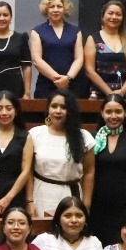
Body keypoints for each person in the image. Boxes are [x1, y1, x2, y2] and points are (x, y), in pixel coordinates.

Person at [24, 89, 95, 218]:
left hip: (71, 196)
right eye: (54, 106)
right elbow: (27, 171)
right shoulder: (35, 134)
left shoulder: (84, 136)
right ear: (48, 108)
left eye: (63, 107)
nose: (58, 111)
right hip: (42, 194)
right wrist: (29, 201)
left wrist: (86, 204)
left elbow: (89, 172)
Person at [89, 95, 126, 244]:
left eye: (118, 111)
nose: (113, 116)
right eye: (109, 111)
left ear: (125, 113)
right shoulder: (92, 139)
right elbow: (87, 173)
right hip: (96, 203)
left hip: (123, 204)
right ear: (102, 113)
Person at [29, 0, 82, 98]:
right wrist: (57, 79)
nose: (56, 10)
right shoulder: (37, 31)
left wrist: (68, 78)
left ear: (65, 9)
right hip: (46, 85)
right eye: (52, 7)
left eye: (59, 6)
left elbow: (79, 58)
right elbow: (36, 60)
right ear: (46, 9)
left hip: (71, 84)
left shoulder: (75, 31)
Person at [82, 0, 126, 98]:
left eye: (118, 14)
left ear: (122, 18)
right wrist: (109, 93)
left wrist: (121, 91)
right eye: (110, 13)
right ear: (103, 16)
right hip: (99, 94)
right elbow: (89, 70)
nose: (114, 17)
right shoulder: (93, 39)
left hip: (124, 94)